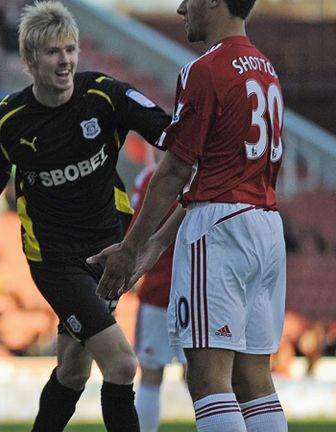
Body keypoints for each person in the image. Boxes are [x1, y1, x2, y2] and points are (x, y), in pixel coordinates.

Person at [0, 2, 172, 431]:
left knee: (72, 370)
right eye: (53, 52)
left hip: (110, 252)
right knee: (122, 365)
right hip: (56, 261)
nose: (65, 60)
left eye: (71, 49)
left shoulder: (104, 95)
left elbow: (164, 128)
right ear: (30, 61)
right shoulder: (9, 119)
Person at [90, 0, 288, 430]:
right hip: (266, 225)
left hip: (219, 231)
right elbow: (221, 173)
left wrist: (129, 247)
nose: (181, 8)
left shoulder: (206, 69)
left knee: (207, 379)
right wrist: (158, 242)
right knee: (254, 381)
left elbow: (178, 170)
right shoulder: (265, 69)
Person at [129, 161, 186, 432]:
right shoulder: (211, 175)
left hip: (158, 290)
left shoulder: (151, 178)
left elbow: (134, 230)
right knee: (208, 377)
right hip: (198, 293)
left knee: (151, 375)